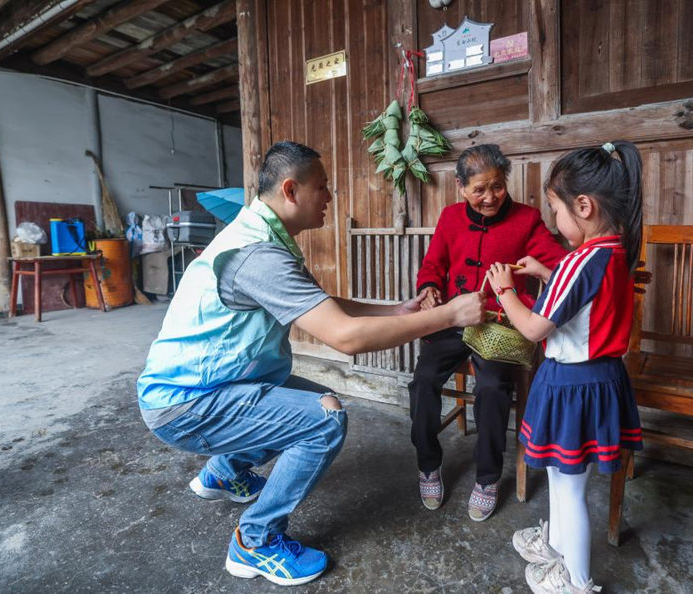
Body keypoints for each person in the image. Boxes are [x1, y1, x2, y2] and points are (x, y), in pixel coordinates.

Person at [137, 141, 485, 587]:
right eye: (322, 188)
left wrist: (398, 311)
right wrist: (450, 314)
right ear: (290, 190)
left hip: (210, 387)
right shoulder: (259, 256)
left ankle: (224, 472)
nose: (329, 198)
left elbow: (323, 306)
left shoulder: (262, 234)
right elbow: (344, 337)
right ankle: (254, 542)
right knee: (324, 420)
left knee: (311, 399)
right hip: (186, 404)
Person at [485, 140, 645, 593]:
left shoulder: (579, 260)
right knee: (563, 474)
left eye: (554, 210)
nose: (554, 222)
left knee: (570, 487)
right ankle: (555, 545)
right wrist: (544, 275)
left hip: (572, 384)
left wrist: (505, 290)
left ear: (584, 205)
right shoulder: (614, 252)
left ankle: (575, 581)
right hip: (601, 380)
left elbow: (535, 329)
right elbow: (586, 304)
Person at [409, 144, 567, 521]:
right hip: (454, 320)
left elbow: (559, 263)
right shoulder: (449, 218)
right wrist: (429, 287)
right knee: (424, 380)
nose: (489, 197)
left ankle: (488, 477)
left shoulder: (526, 220)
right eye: (479, 190)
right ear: (461, 187)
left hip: (500, 324)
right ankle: (428, 464)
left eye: (496, 187)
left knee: (492, 389)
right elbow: (433, 264)